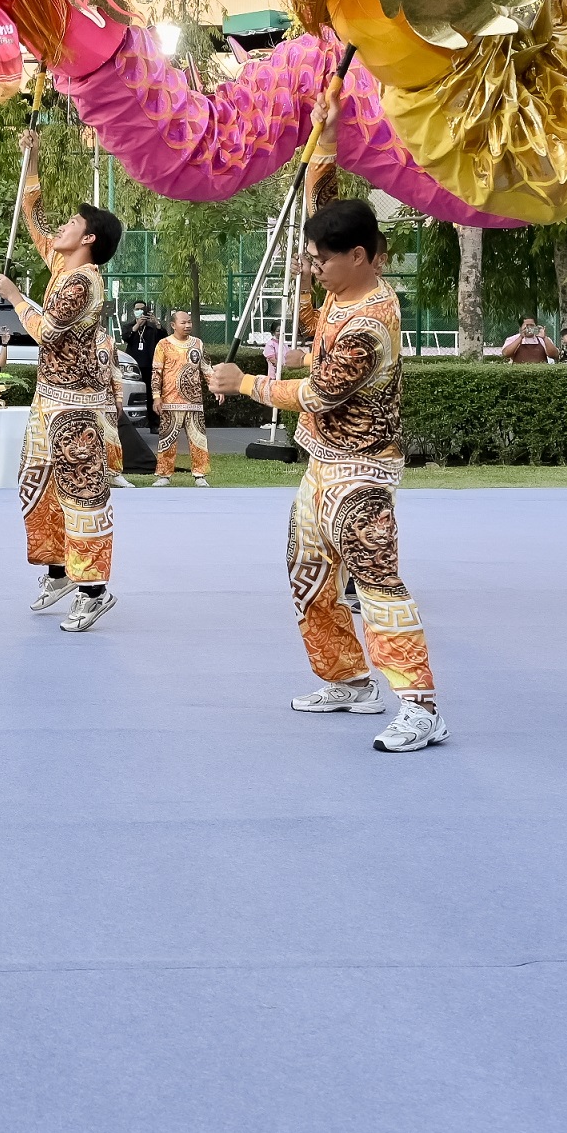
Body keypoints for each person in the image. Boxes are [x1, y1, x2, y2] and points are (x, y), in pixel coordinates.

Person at [208, 189, 445, 753]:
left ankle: (421, 707)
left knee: (377, 582)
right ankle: (348, 680)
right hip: (323, 463)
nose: (312, 267)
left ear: (358, 255)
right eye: (310, 258)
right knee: (308, 573)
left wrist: (245, 383)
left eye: (320, 260)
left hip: (363, 470)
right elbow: (322, 342)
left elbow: (321, 394)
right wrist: (324, 151)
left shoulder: (371, 322)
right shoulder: (343, 295)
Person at [0, 128, 123, 632]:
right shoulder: (62, 265)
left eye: (73, 223)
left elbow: (47, 332)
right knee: (39, 485)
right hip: (48, 400)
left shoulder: (83, 283)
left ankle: (94, 590)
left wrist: (15, 298)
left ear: (89, 239)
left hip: (76, 407)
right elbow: (33, 217)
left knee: (82, 492)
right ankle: (59, 570)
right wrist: (32, 159)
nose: (62, 227)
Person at [151, 310, 209, 487]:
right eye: (183, 322)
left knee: (198, 439)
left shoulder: (198, 344)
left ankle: (200, 475)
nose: (188, 325)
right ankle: (164, 475)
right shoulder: (163, 344)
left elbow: (206, 368)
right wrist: (156, 397)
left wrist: (216, 388)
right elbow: (156, 372)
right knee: (167, 440)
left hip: (194, 402)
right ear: (173, 325)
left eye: (189, 322)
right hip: (170, 401)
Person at [122, 301, 165, 429]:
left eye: (142, 309)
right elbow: (125, 337)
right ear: (133, 311)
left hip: (149, 364)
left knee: (152, 394)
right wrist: (137, 325)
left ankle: (154, 424)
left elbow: (163, 338)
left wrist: (157, 324)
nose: (139, 311)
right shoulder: (129, 326)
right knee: (133, 394)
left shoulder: (152, 327)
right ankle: (132, 423)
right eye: (137, 309)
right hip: (134, 366)